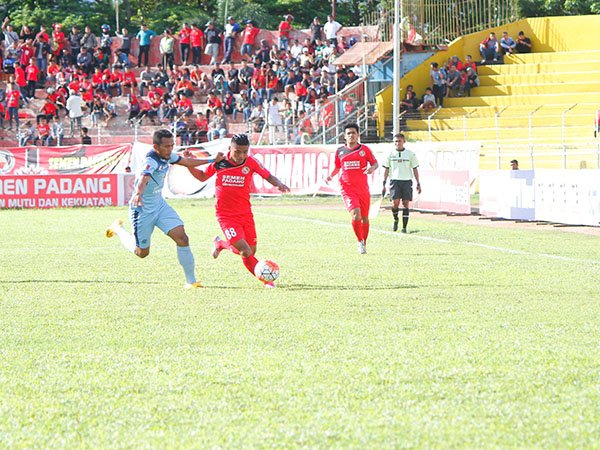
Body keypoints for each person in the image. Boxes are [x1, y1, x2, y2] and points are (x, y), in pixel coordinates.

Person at [106, 129, 224, 289]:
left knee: (182, 237)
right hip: (142, 210)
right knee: (142, 253)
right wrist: (138, 194)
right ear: (156, 146)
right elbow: (143, 178)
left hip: (160, 206)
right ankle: (118, 229)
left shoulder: (168, 156)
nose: (170, 149)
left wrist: (212, 160)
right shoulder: (150, 161)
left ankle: (191, 281)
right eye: (166, 146)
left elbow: (186, 162)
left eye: (172, 145)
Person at [185, 133, 290, 288]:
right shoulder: (220, 162)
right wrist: (189, 164)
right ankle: (267, 280)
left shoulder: (250, 162)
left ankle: (221, 244)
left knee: (250, 251)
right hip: (226, 216)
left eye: (244, 152)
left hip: (246, 214)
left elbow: (267, 175)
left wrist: (279, 183)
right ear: (230, 149)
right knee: (245, 251)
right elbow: (201, 177)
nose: (241, 156)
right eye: (237, 152)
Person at [325, 123, 379, 254]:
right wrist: (330, 176)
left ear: (358, 135)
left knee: (365, 218)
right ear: (344, 136)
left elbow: (375, 163)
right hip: (347, 188)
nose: (351, 135)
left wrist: (371, 169)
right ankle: (359, 242)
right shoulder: (340, 151)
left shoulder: (364, 149)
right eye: (348, 133)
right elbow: (338, 167)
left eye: (353, 133)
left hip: (362, 188)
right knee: (356, 215)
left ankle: (364, 242)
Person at [381, 133, 421, 233]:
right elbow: (386, 169)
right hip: (395, 181)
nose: (397, 143)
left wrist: (418, 183)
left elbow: (415, 168)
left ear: (404, 141)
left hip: (407, 181)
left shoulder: (410, 154)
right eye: (395, 141)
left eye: (399, 141)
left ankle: (404, 227)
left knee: (405, 203)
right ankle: (395, 219)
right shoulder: (390, 154)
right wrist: (384, 184)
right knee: (395, 203)